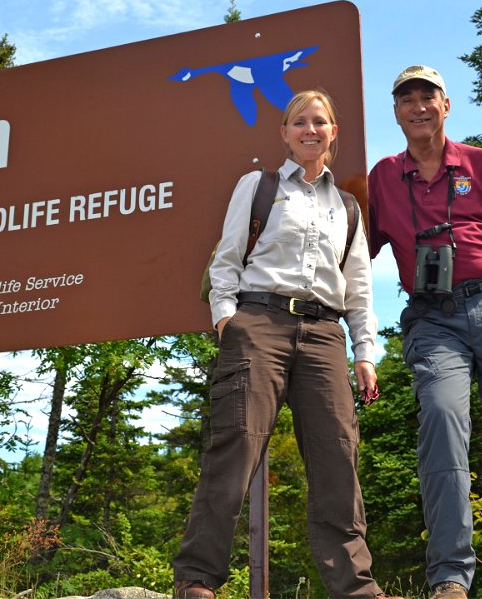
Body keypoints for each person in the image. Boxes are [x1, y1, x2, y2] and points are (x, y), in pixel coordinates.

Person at [172, 89, 402, 599]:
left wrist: (365, 352)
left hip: (325, 336)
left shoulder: (347, 206)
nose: (310, 130)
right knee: (236, 446)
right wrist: (227, 321)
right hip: (260, 324)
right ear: (285, 132)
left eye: (321, 121)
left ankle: (355, 589)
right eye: (300, 121)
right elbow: (226, 260)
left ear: (333, 132)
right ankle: (197, 580)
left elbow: (359, 287)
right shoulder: (259, 185)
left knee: (338, 455)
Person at [367, 65, 482, 599]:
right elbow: (355, 250)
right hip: (433, 319)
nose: (418, 106)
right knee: (444, 425)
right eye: (406, 98)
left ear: (446, 105)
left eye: (428, 96)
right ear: (396, 112)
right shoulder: (383, 177)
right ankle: (450, 576)